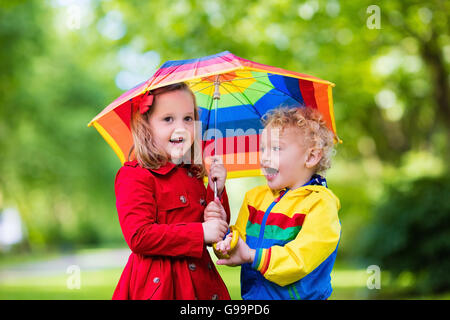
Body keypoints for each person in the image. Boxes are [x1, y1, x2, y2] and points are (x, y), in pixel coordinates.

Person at [112, 82, 231, 300]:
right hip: (160, 286)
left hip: (201, 283)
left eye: (188, 119)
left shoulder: (193, 174)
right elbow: (140, 236)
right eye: (168, 119)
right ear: (146, 125)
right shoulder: (135, 175)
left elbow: (217, 229)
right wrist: (201, 233)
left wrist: (218, 189)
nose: (181, 128)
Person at [209, 106, 341, 300]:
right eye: (263, 148)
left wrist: (252, 256)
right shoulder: (255, 198)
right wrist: (225, 236)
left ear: (311, 156)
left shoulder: (320, 204)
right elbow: (240, 246)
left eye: (276, 148)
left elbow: (300, 260)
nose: (264, 157)